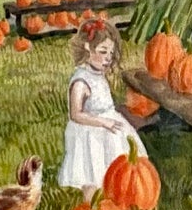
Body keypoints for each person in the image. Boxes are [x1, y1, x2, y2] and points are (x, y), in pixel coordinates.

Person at [58, 18, 147, 197]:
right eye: (103, 51)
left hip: (109, 123)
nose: (108, 58)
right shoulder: (81, 81)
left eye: (111, 53)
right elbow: (76, 114)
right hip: (90, 131)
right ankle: (92, 205)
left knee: (117, 159)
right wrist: (102, 122)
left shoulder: (97, 74)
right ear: (87, 48)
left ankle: (115, 195)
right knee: (92, 170)